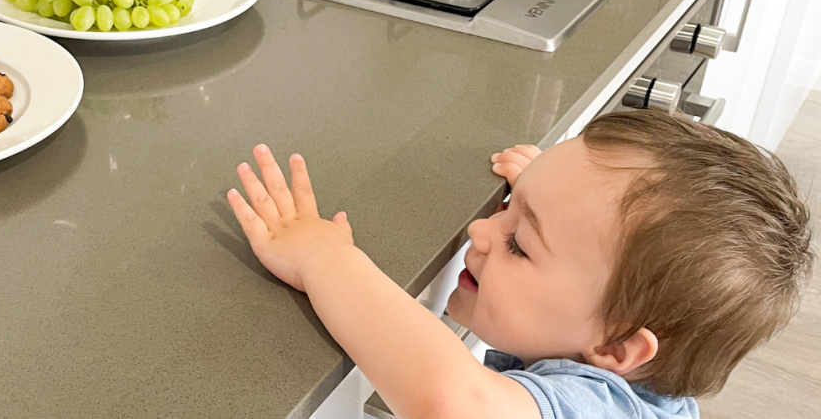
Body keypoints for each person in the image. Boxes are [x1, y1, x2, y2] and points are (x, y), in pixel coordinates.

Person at [225, 110, 814, 419]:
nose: (481, 229)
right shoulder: (598, 347)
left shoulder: (601, 411)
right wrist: (551, 196)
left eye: (518, 245)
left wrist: (325, 257)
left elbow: (450, 404)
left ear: (615, 348)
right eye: (509, 207)